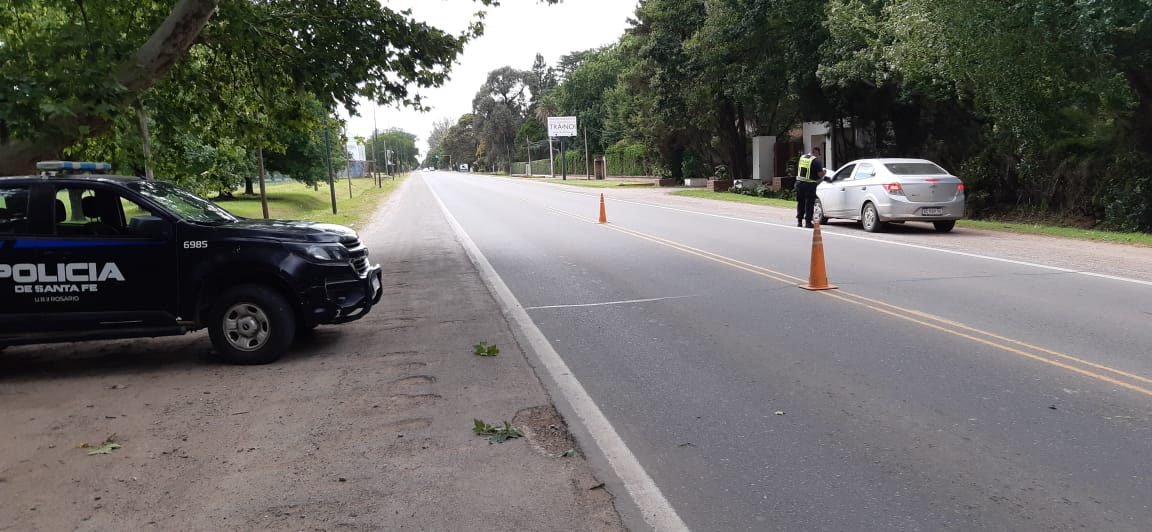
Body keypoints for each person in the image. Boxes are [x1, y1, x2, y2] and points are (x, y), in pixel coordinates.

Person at [794, 146, 825, 228]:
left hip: (799, 183)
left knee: (800, 202)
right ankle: (808, 222)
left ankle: (799, 221)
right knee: (809, 203)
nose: (818, 156)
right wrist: (824, 172)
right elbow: (820, 174)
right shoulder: (816, 160)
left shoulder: (802, 158)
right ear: (815, 152)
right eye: (818, 154)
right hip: (810, 185)